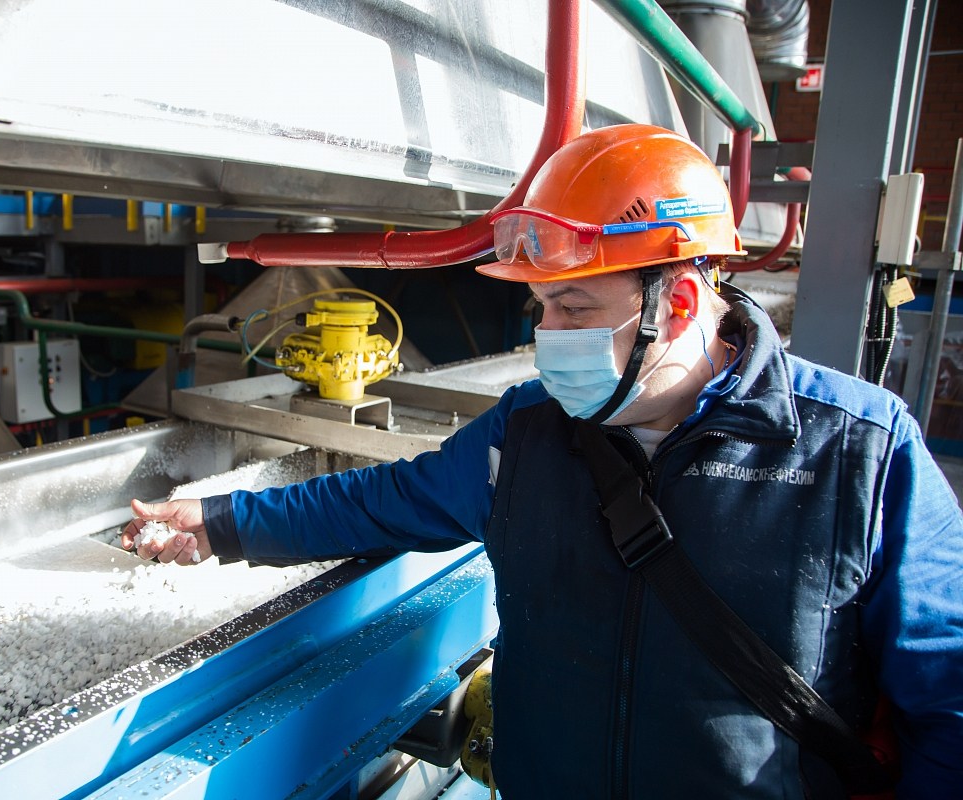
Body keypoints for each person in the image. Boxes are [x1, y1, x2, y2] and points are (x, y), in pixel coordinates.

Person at [121, 124, 963, 798]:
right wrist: (220, 522)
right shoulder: (528, 432)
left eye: (574, 305)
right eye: (539, 308)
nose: (548, 338)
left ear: (679, 300)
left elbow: (950, 704)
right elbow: (387, 500)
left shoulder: (860, 450)